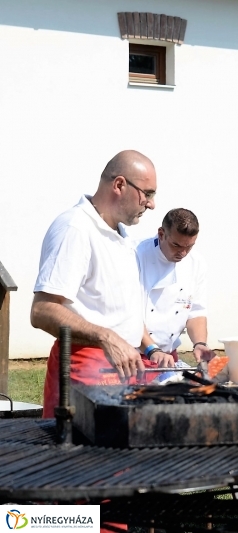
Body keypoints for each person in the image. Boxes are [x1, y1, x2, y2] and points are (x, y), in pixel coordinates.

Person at [32, 150, 157, 417]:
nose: (151, 204)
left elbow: (119, 310)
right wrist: (106, 336)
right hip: (85, 371)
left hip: (124, 369)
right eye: (147, 193)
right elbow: (42, 310)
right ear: (120, 185)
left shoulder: (121, 236)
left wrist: (149, 346)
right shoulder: (75, 228)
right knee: (79, 458)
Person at [137, 208, 214, 366]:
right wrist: (152, 350)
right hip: (136, 355)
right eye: (176, 245)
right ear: (161, 234)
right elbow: (129, 315)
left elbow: (196, 311)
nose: (183, 253)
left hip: (168, 356)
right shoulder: (137, 256)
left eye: (189, 246)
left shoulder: (196, 263)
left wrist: (200, 343)